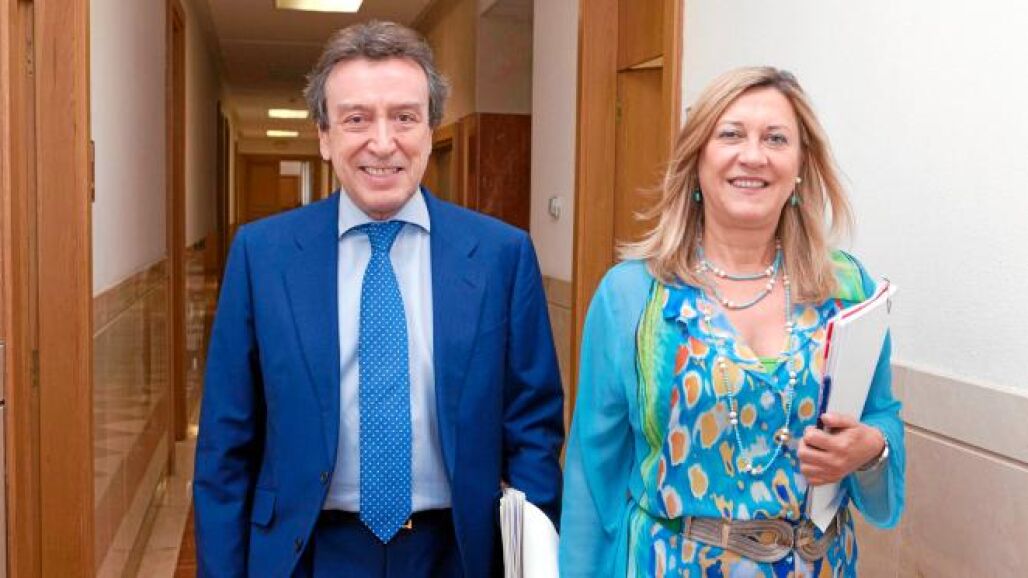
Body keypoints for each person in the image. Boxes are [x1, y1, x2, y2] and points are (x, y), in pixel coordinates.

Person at [194, 20, 564, 578]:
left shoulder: (500, 256)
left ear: (430, 129)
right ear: (325, 137)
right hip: (307, 553)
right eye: (357, 119)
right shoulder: (262, 255)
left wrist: (531, 558)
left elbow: (533, 428)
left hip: (459, 553)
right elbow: (225, 446)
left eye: (405, 117)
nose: (383, 142)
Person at [560, 67, 904, 577]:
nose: (754, 155)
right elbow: (593, 474)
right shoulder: (633, 296)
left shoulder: (847, 290)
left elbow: (881, 418)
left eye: (776, 139)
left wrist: (871, 448)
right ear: (697, 159)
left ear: (800, 165)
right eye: (731, 134)